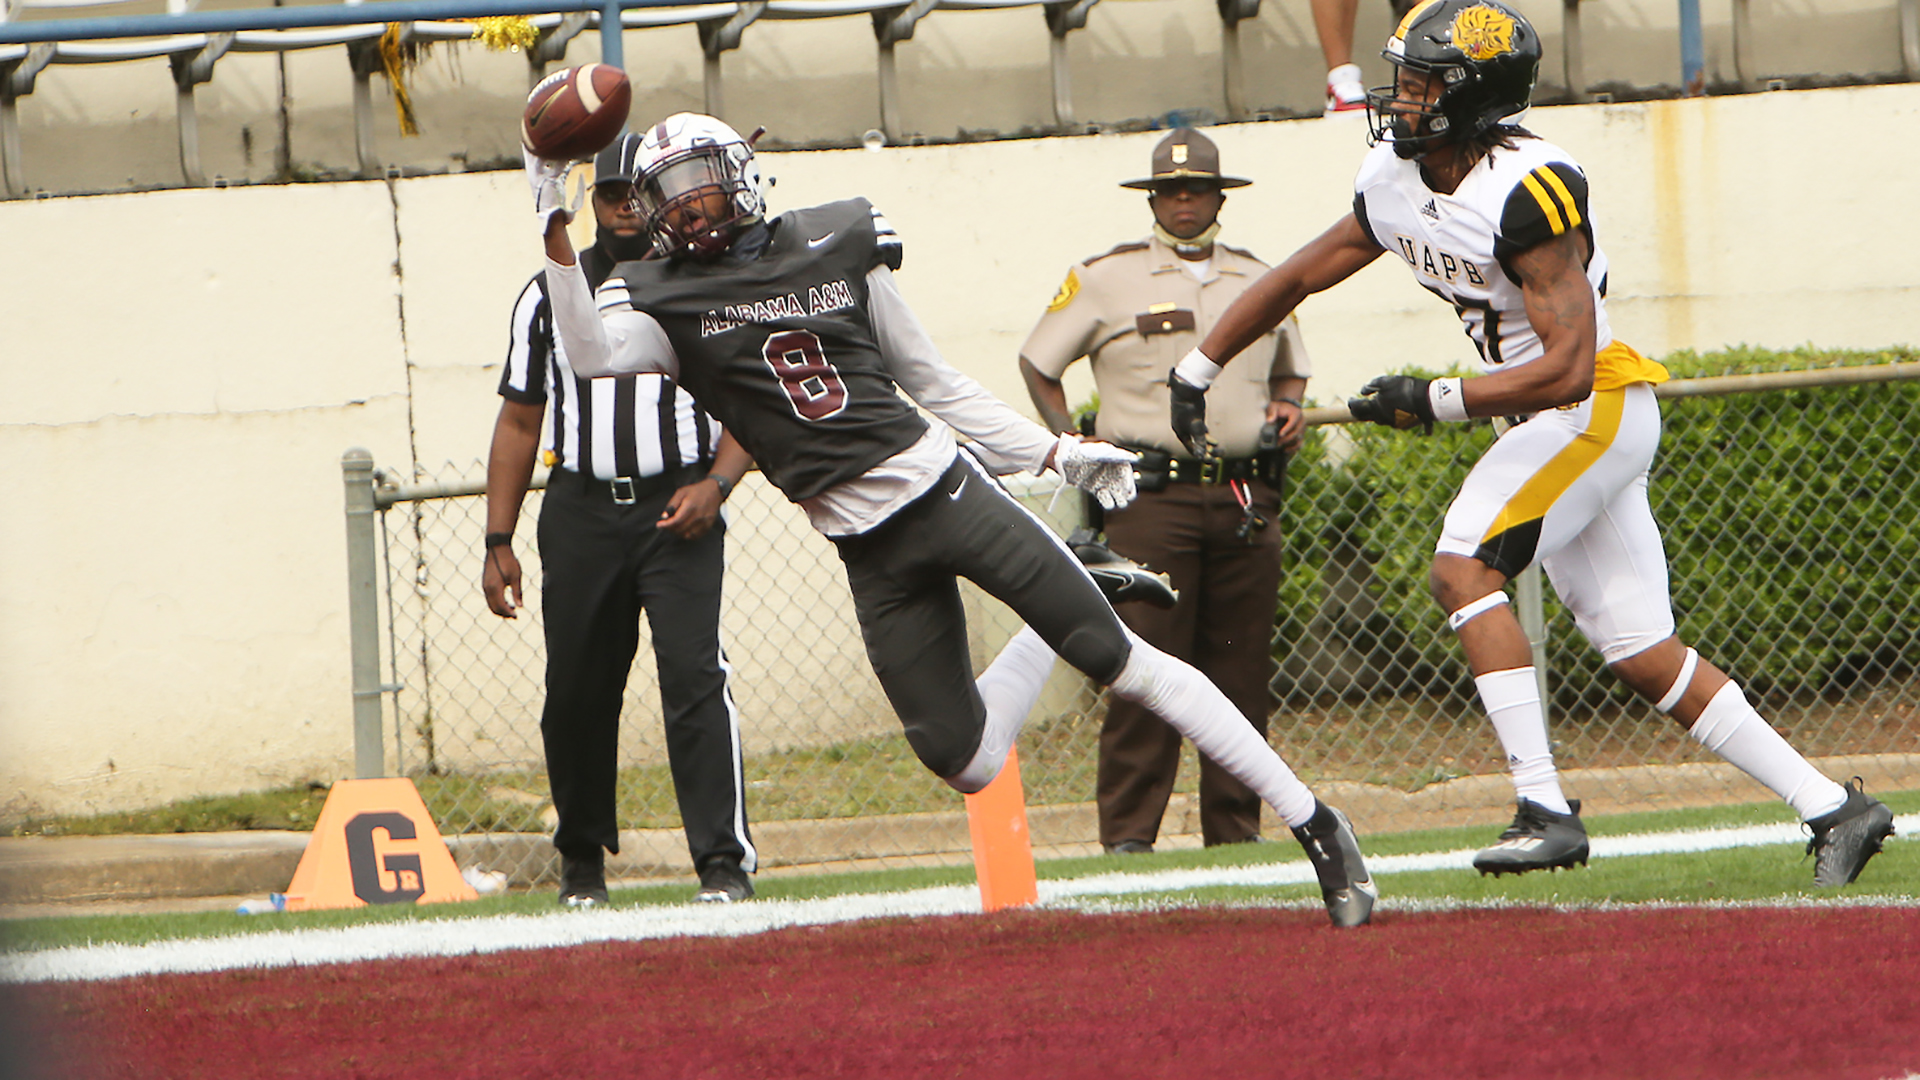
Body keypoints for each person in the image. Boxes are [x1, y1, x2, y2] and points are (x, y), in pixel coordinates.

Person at [522, 112, 1377, 926]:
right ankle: (1070, 595)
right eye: (665, 193)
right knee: (964, 761)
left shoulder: (837, 237)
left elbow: (933, 382)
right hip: (864, 546)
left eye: (698, 184)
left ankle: (1318, 825)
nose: (685, 206)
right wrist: (550, 213)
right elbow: (589, 354)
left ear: (741, 179)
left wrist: (1054, 453)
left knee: (1124, 665)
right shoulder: (659, 293)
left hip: (944, 493)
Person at [1163, 0, 1895, 886]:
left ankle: (1544, 806)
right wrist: (1199, 367)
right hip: (1552, 417)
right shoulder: (1395, 180)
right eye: (1402, 77)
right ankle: (1835, 808)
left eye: (1422, 83)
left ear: (1472, 99)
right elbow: (1297, 275)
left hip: (1590, 409)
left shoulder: (1528, 190)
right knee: (1639, 648)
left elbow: (1570, 370)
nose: (1401, 99)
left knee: (1462, 566)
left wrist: (1435, 400)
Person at [484, 133, 759, 908]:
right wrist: (496, 539)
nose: (626, 209)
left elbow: (750, 398)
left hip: (681, 505)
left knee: (695, 678)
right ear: (592, 202)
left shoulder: (701, 280)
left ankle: (721, 863)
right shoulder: (548, 293)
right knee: (575, 688)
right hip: (581, 510)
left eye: (639, 194)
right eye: (610, 195)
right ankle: (581, 864)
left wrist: (718, 484)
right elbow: (518, 421)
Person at [1018, 128, 1311, 855]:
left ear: (1220, 196)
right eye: (1170, 191)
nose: (1184, 202)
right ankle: (1128, 843)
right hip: (1148, 501)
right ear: (1153, 199)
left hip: (1244, 499)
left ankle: (1235, 835)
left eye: (1197, 189)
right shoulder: (1104, 278)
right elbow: (1037, 361)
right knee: (1143, 672)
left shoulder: (1260, 278)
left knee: (1240, 675)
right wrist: (1071, 443)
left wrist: (1289, 403)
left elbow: (1291, 364)